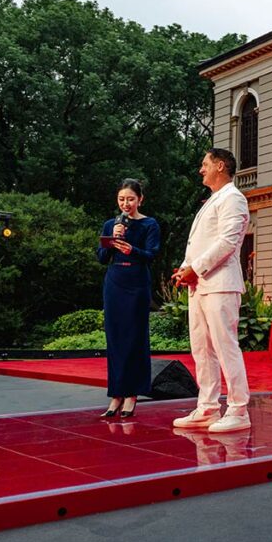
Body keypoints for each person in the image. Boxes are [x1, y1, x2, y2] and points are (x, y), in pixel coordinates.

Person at [172, 148, 252, 433]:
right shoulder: (213, 201)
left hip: (220, 284)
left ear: (220, 166)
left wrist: (197, 267)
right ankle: (207, 406)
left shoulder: (233, 198)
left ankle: (239, 409)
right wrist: (185, 268)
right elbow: (199, 243)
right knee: (201, 348)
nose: (200, 169)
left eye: (205, 164)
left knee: (225, 346)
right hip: (200, 284)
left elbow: (228, 242)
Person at [96, 178, 161, 419]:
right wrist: (112, 241)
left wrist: (131, 249)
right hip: (114, 282)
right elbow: (101, 257)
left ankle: (132, 395)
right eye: (122, 199)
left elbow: (152, 254)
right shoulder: (110, 224)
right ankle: (116, 395)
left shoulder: (149, 224)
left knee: (135, 337)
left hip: (136, 283)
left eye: (130, 199)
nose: (126, 203)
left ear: (140, 200)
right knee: (114, 339)